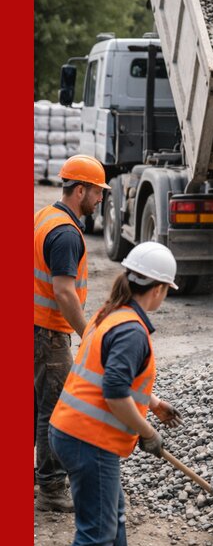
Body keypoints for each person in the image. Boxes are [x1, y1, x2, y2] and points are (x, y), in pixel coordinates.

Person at [49, 242, 183, 546]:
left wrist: (151, 403)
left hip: (70, 429)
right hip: (88, 440)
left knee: (113, 516)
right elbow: (113, 391)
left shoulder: (108, 313)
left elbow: (102, 372)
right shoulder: (131, 332)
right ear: (159, 288)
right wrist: (147, 432)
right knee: (96, 534)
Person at [34, 154, 110, 511]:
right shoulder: (66, 234)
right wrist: (86, 333)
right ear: (80, 189)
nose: (101, 199)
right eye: (97, 192)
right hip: (49, 334)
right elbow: (63, 291)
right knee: (54, 410)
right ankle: (51, 488)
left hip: (35, 327)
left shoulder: (46, 216)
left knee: (36, 407)